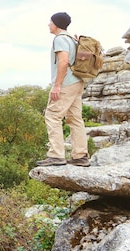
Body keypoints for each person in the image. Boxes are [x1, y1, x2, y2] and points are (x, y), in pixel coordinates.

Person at [36, 12, 90, 167]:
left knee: (52, 115)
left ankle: (56, 155)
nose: (48, 24)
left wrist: (57, 85)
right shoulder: (73, 39)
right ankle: (80, 156)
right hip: (78, 82)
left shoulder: (60, 39)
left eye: (50, 21)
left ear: (56, 24)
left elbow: (64, 61)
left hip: (66, 83)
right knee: (75, 119)